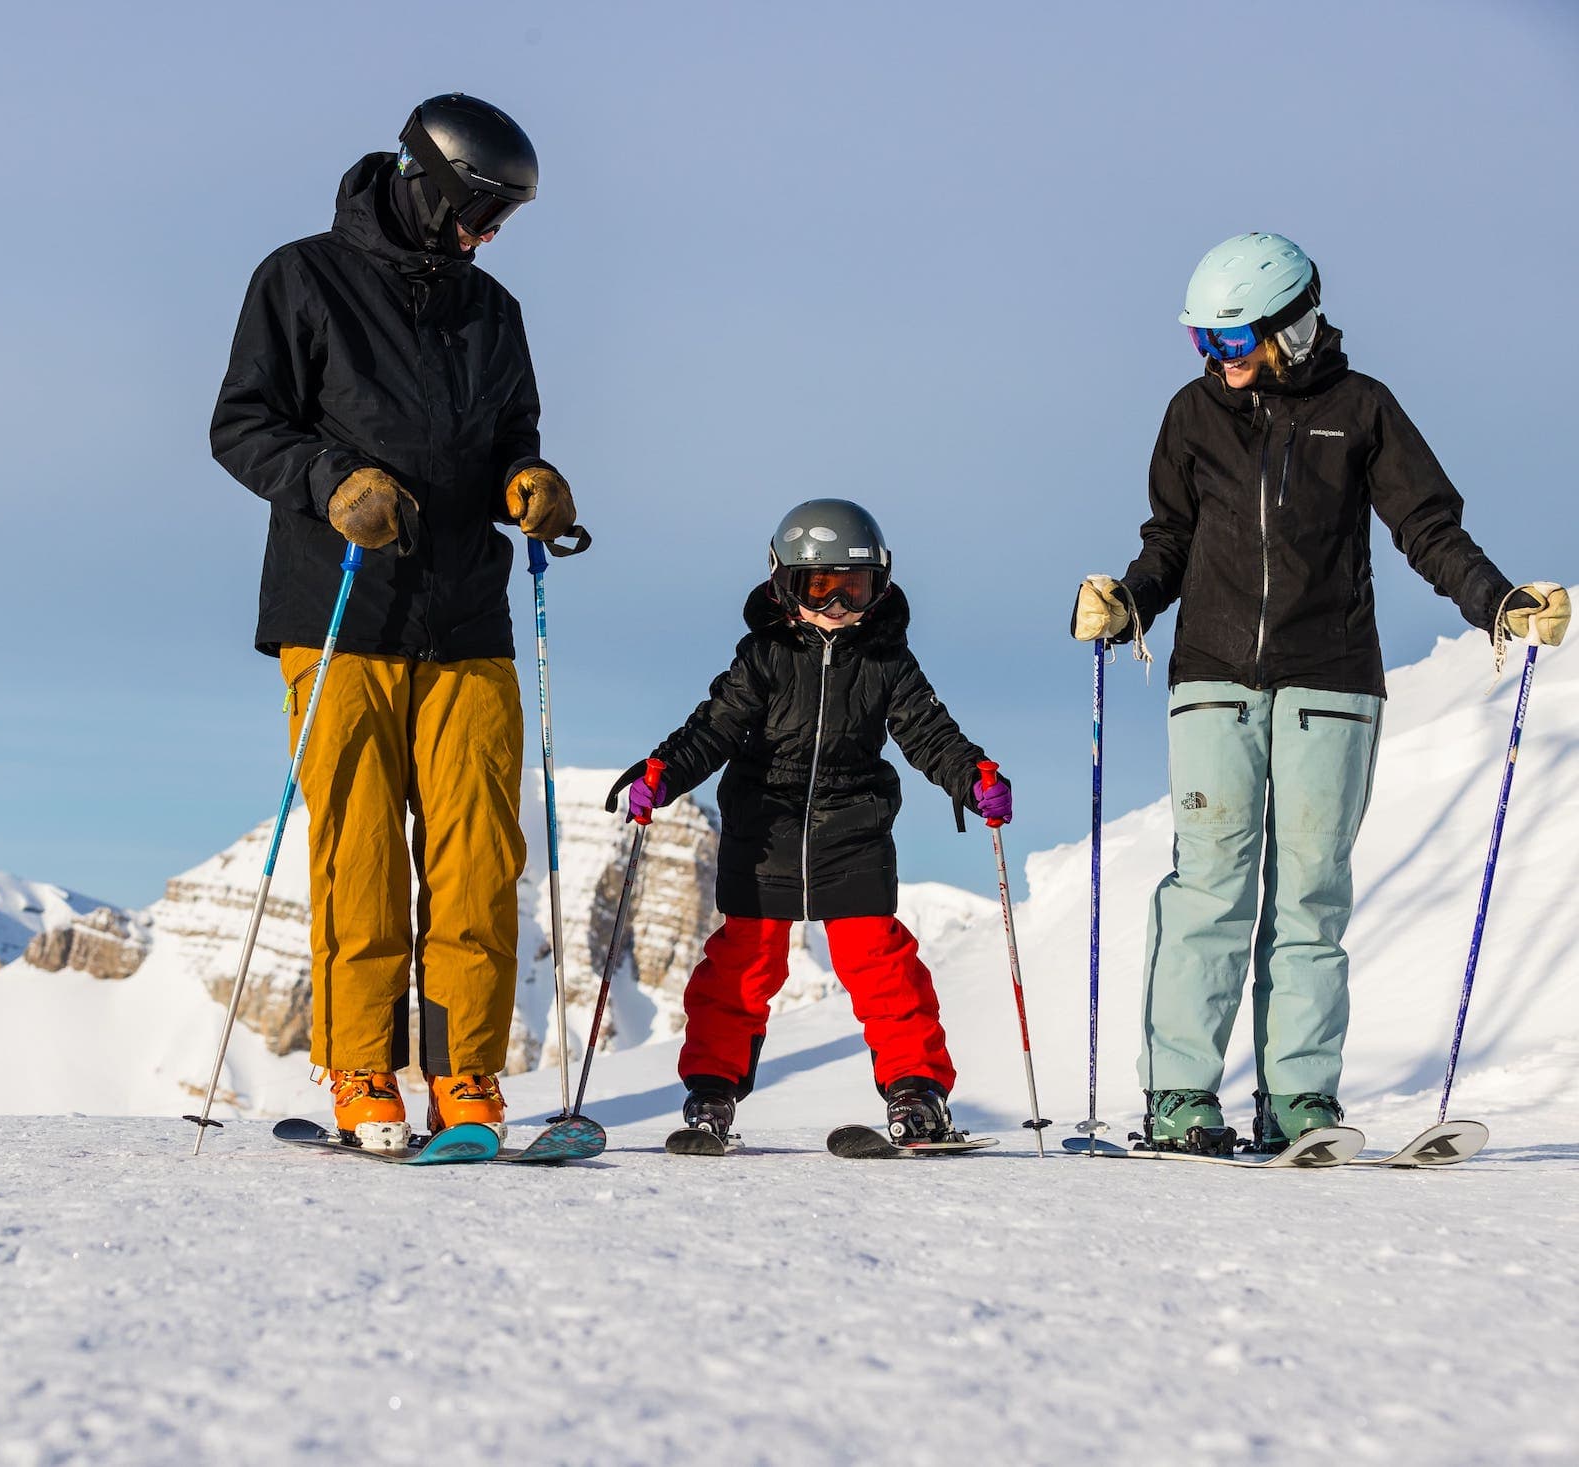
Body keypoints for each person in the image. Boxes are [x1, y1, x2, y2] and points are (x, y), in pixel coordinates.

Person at [1074, 232, 1570, 1155]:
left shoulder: (1362, 410)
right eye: (1202, 343)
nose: (1215, 363)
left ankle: (1298, 1098)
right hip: (1214, 678)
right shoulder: (1191, 415)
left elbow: (1427, 527)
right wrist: (1127, 605)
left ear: (1290, 326)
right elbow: (1169, 543)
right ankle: (1181, 1093)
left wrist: (1497, 604)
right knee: (1210, 885)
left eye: (1230, 341)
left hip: (1332, 683)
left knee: (1312, 894)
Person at [209, 94, 576, 1150]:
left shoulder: (491, 311)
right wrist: (330, 481)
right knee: (360, 853)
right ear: (428, 185)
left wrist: (533, 481)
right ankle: (362, 1072)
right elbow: (241, 425)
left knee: (476, 857)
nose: (490, 235)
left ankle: (465, 1080)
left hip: (467, 614)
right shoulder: (300, 279)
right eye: (480, 211)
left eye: (501, 219)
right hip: (341, 607)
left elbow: (516, 433)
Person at [607, 499, 1011, 1147]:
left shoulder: (887, 661)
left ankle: (917, 1093)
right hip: (764, 828)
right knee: (741, 964)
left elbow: (929, 733)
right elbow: (711, 728)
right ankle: (711, 1094)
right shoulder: (762, 656)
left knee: (881, 961)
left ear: (879, 586)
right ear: (783, 584)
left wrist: (974, 775)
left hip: (852, 827)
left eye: (854, 589)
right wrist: (663, 773)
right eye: (818, 587)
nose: (837, 608)